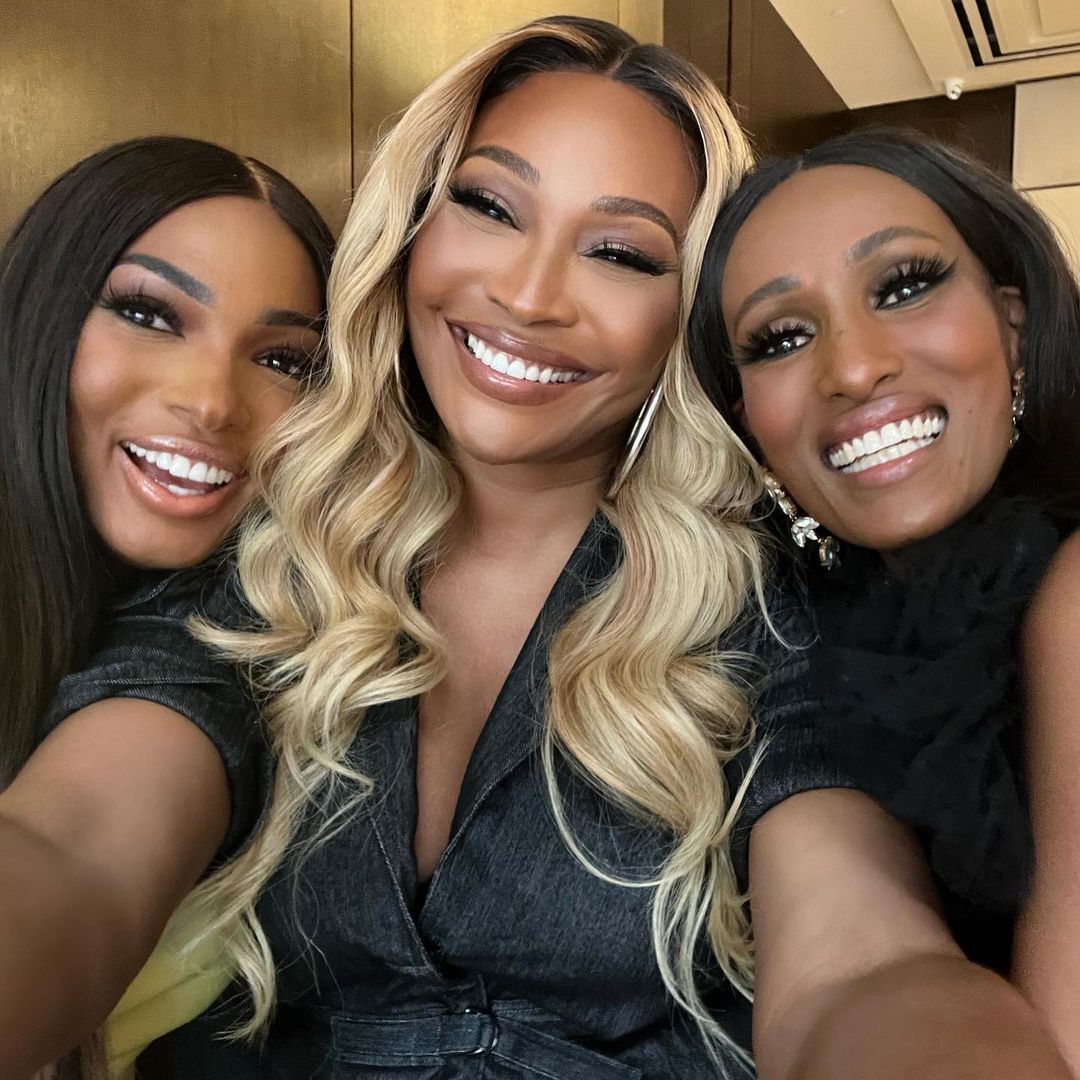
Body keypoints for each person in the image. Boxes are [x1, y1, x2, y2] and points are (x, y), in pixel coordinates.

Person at [1, 24, 1069, 1080]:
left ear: (686, 322)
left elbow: (862, 962)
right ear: (413, 229)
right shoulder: (271, 558)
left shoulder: (765, 608)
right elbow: (75, 852)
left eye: (621, 254)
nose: (529, 296)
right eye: (490, 206)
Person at [689, 127, 1080, 1070]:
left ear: (1013, 324)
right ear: (745, 420)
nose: (854, 368)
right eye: (781, 338)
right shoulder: (786, 638)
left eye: (904, 286)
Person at [0, 135, 334, 1078]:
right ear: (42, 312)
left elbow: (71, 855)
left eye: (283, 360)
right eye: (150, 314)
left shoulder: (228, 636)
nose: (213, 402)